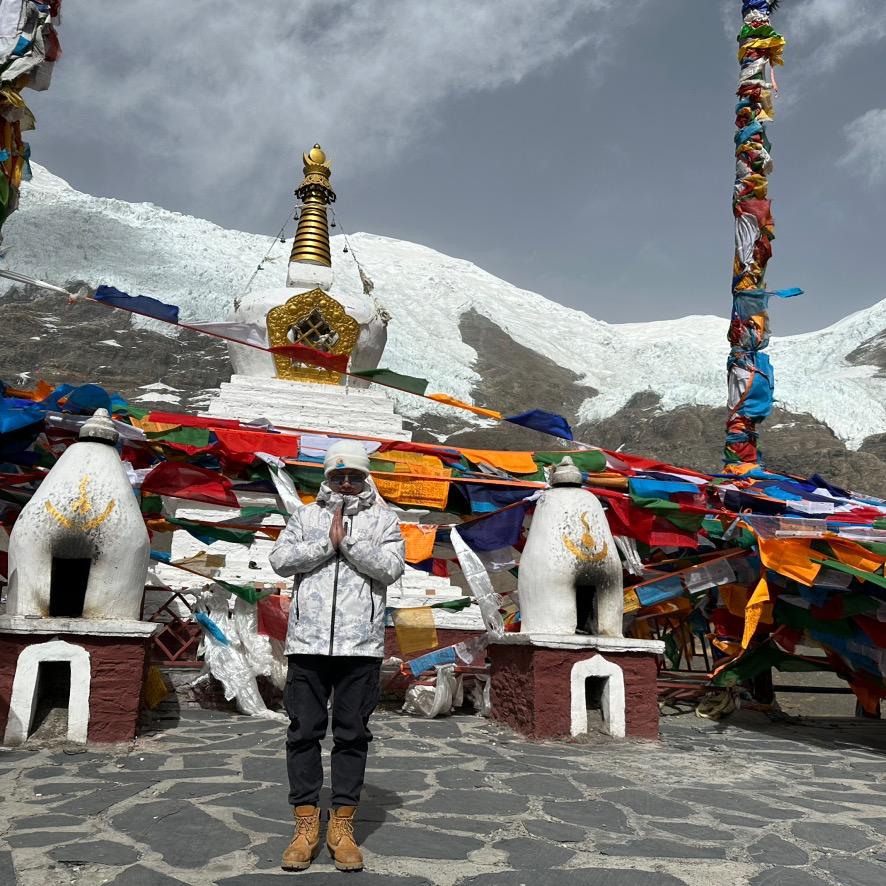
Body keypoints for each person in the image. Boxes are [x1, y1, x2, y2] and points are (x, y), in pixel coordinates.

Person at [268, 438, 405, 872]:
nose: (346, 482)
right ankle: (306, 823)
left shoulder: (386, 520)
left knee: (351, 734)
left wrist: (348, 543)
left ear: (366, 477)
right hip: (308, 643)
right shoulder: (305, 517)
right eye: (338, 474)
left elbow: (391, 569)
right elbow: (280, 560)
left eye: (354, 475)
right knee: (303, 731)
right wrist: (326, 543)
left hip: (360, 645)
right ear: (326, 476)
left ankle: (342, 823)